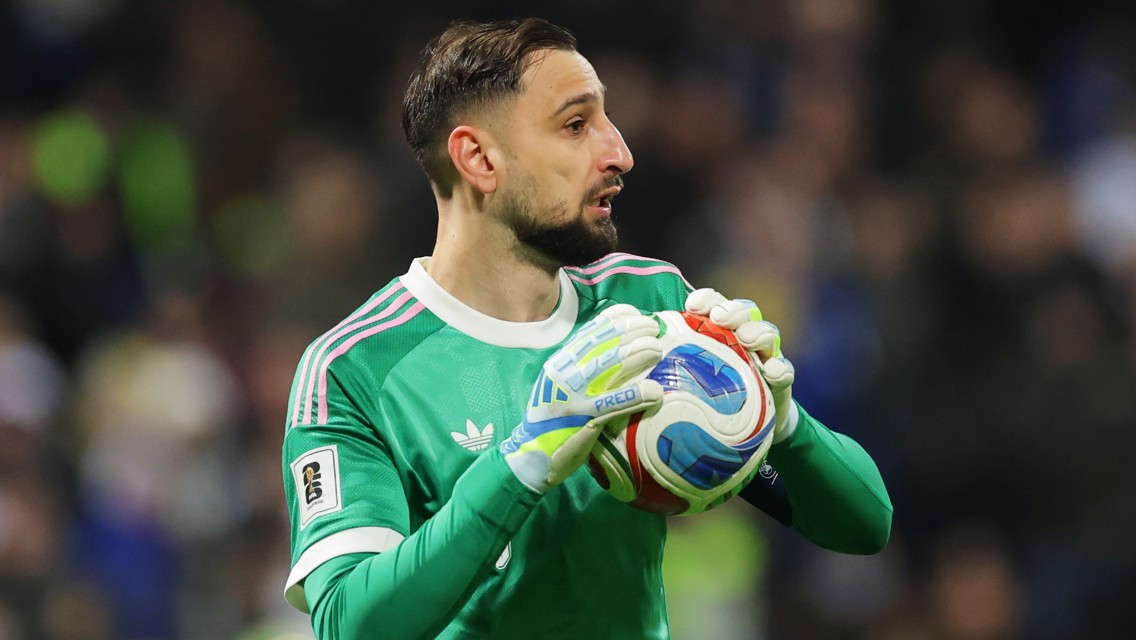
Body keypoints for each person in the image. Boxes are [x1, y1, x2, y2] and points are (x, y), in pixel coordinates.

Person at [281, 17, 892, 639]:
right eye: (576, 126)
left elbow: (864, 526)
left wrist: (784, 425)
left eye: (608, 122)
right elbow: (350, 624)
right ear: (478, 157)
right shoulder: (354, 370)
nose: (619, 153)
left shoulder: (651, 306)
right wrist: (519, 465)